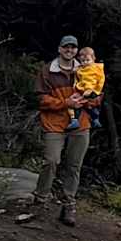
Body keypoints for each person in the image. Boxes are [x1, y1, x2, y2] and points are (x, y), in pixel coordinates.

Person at [34, 35, 93, 224]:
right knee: (51, 160)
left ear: (76, 50)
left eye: (73, 47)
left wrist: (86, 100)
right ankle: (40, 200)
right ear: (59, 49)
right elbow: (41, 99)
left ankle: (69, 205)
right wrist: (65, 103)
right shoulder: (47, 71)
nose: (70, 50)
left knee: (74, 165)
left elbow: (98, 95)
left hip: (81, 123)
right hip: (54, 123)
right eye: (66, 47)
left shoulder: (86, 69)